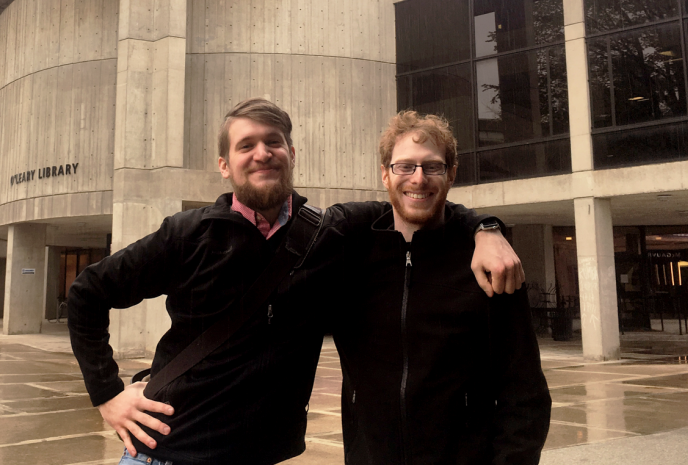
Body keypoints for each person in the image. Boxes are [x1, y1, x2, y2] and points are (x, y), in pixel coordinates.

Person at [67, 99, 524, 465]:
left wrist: (486, 228)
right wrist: (108, 395)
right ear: (224, 164)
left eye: (274, 141)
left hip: (262, 455)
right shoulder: (186, 235)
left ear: (291, 154)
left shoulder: (332, 232)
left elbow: (417, 200)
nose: (262, 153)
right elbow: (87, 293)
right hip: (168, 451)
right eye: (246, 145)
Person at [332, 111, 551, 465]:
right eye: (405, 166)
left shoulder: (491, 265)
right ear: (385, 174)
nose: (418, 178)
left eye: (432, 166)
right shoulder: (352, 257)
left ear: (451, 173)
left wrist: (485, 228)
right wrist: (485, 224)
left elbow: (525, 394)